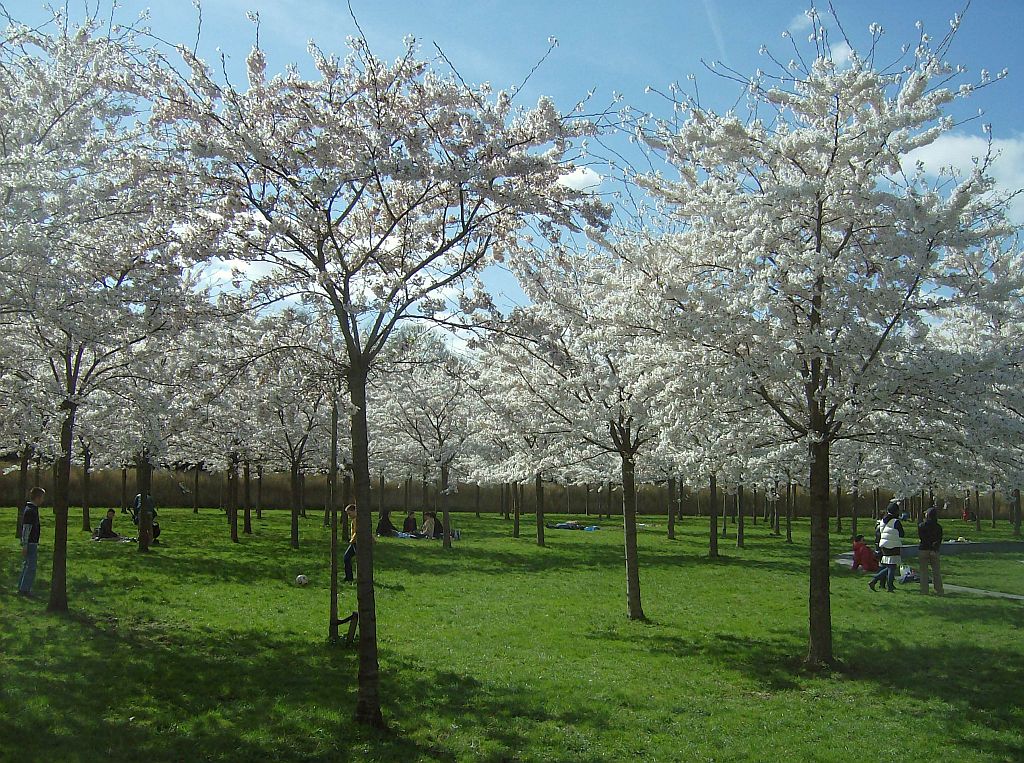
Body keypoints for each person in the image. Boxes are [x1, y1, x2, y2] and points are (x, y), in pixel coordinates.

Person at [869, 502, 904, 592]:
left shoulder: (882, 521)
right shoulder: (896, 521)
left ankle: (876, 581)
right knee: (892, 567)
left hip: (884, 546)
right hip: (894, 545)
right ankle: (888, 585)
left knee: (888, 567)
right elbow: (902, 534)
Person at [17, 487, 44, 596]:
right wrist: (25, 545)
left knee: (27, 565)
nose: (42, 500)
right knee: (31, 567)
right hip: (30, 543)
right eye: (42, 497)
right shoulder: (30, 511)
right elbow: (26, 529)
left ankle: (22, 587)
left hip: (32, 542)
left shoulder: (32, 509)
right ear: (37, 497)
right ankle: (25, 589)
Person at [917, 506, 944, 595]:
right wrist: (934, 547)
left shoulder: (921, 526)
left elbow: (922, 538)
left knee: (923, 572)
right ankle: (939, 590)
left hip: (924, 549)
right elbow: (939, 539)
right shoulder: (938, 527)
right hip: (934, 550)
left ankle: (924, 590)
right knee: (936, 572)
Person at [343, 504, 357, 581]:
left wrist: (352, 540)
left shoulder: (356, 520)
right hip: (354, 542)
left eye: (349, 513)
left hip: (356, 543)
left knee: (347, 557)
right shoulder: (354, 520)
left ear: (354, 511)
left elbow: (357, 532)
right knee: (346, 558)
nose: (349, 516)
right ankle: (349, 577)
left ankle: (349, 577)